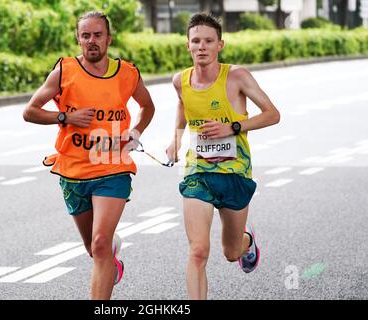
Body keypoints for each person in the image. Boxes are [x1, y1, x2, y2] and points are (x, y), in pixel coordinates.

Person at [23, 11, 155, 300]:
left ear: (109, 38)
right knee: (94, 249)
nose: (92, 41)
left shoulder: (127, 72)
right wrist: (65, 117)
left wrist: (135, 133)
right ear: (78, 39)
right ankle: (110, 260)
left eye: (97, 35)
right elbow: (30, 111)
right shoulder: (64, 70)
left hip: (112, 168)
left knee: (99, 243)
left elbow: (147, 106)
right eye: (86, 36)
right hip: (72, 170)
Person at [166, 13, 280, 300]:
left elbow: (273, 114)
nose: (201, 46)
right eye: (196, 41)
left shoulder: (237, 76)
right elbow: (183, 106)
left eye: (208, 41)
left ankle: (246, 242)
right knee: (198, 250)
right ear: (187, 46)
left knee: (230, 253)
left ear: (220, 45)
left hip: (235, 173)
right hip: (198, 172)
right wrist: (176, 140)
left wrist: (233, 127)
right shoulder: (181, 81)